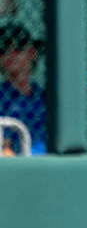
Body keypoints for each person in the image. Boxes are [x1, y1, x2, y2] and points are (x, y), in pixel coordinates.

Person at [0, 22, 47, 156]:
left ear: (32, 52)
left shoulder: (44, 96)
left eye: (19, 47)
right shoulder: (2, 96)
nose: (12, 53)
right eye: (4, 48)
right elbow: (5, 149)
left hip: (49, 160)